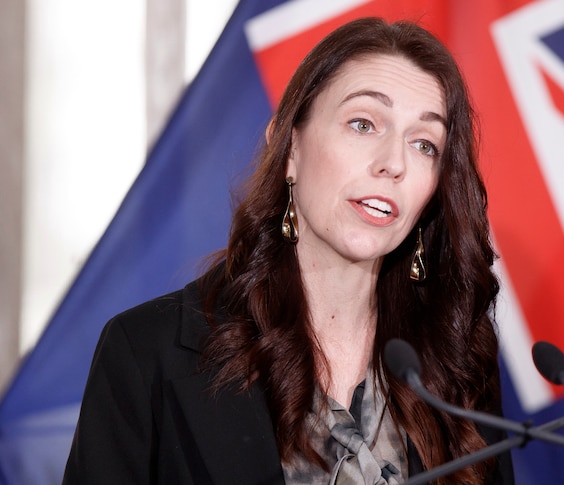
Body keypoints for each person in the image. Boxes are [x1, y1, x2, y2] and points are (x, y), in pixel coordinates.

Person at [63, 17, 513, 485]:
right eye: (363, 123)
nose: (394, 163)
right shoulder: (146, 351)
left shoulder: (456, 360)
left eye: (424, 144)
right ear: (289, 145)